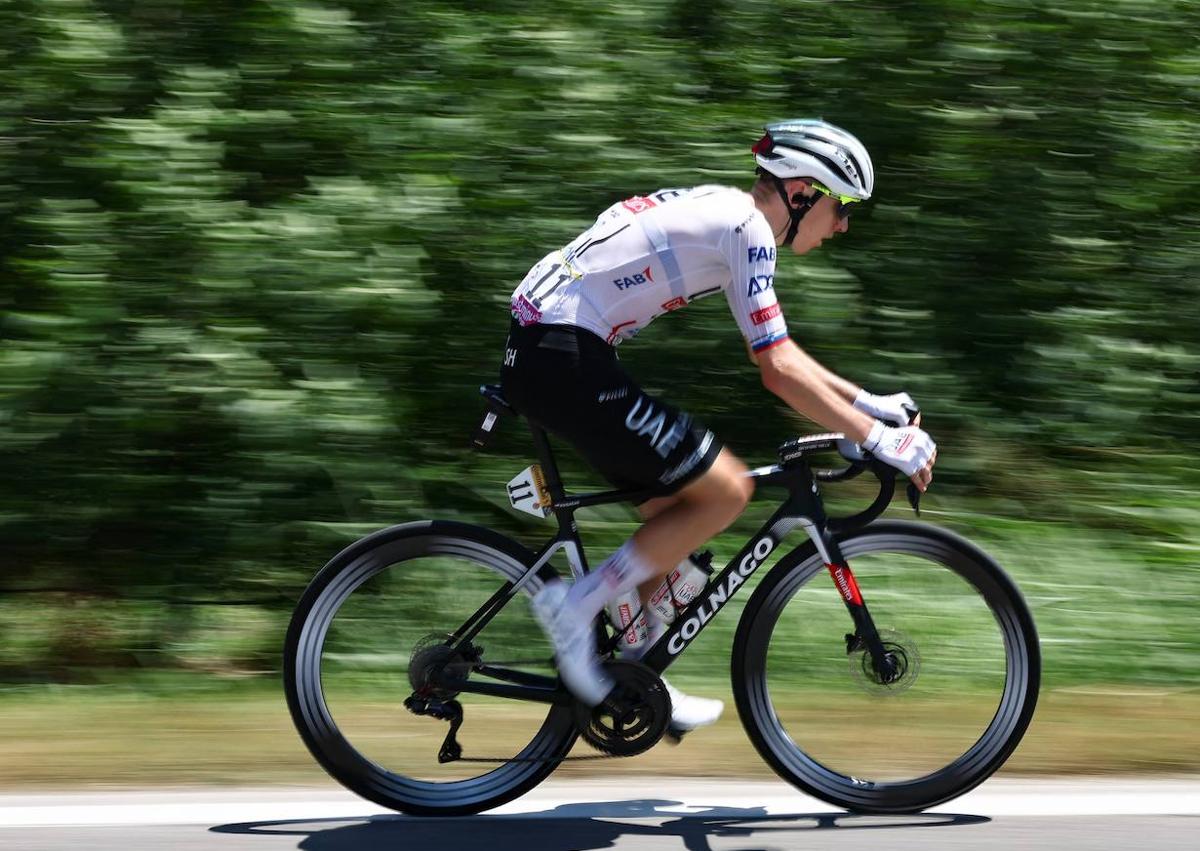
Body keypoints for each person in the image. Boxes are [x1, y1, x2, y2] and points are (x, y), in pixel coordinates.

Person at [499, 119, 937, 732]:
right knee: (728, 489)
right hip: (562, 351)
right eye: (841, 208)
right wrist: (880, 438)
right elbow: (777, 371)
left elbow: (779, 350)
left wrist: (867, 404)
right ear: (804, 191)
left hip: (552, 349)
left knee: (674, 521)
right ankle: (575, 606)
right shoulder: (748, 230)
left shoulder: (731, 215)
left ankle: (637, 671)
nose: (843, 226)